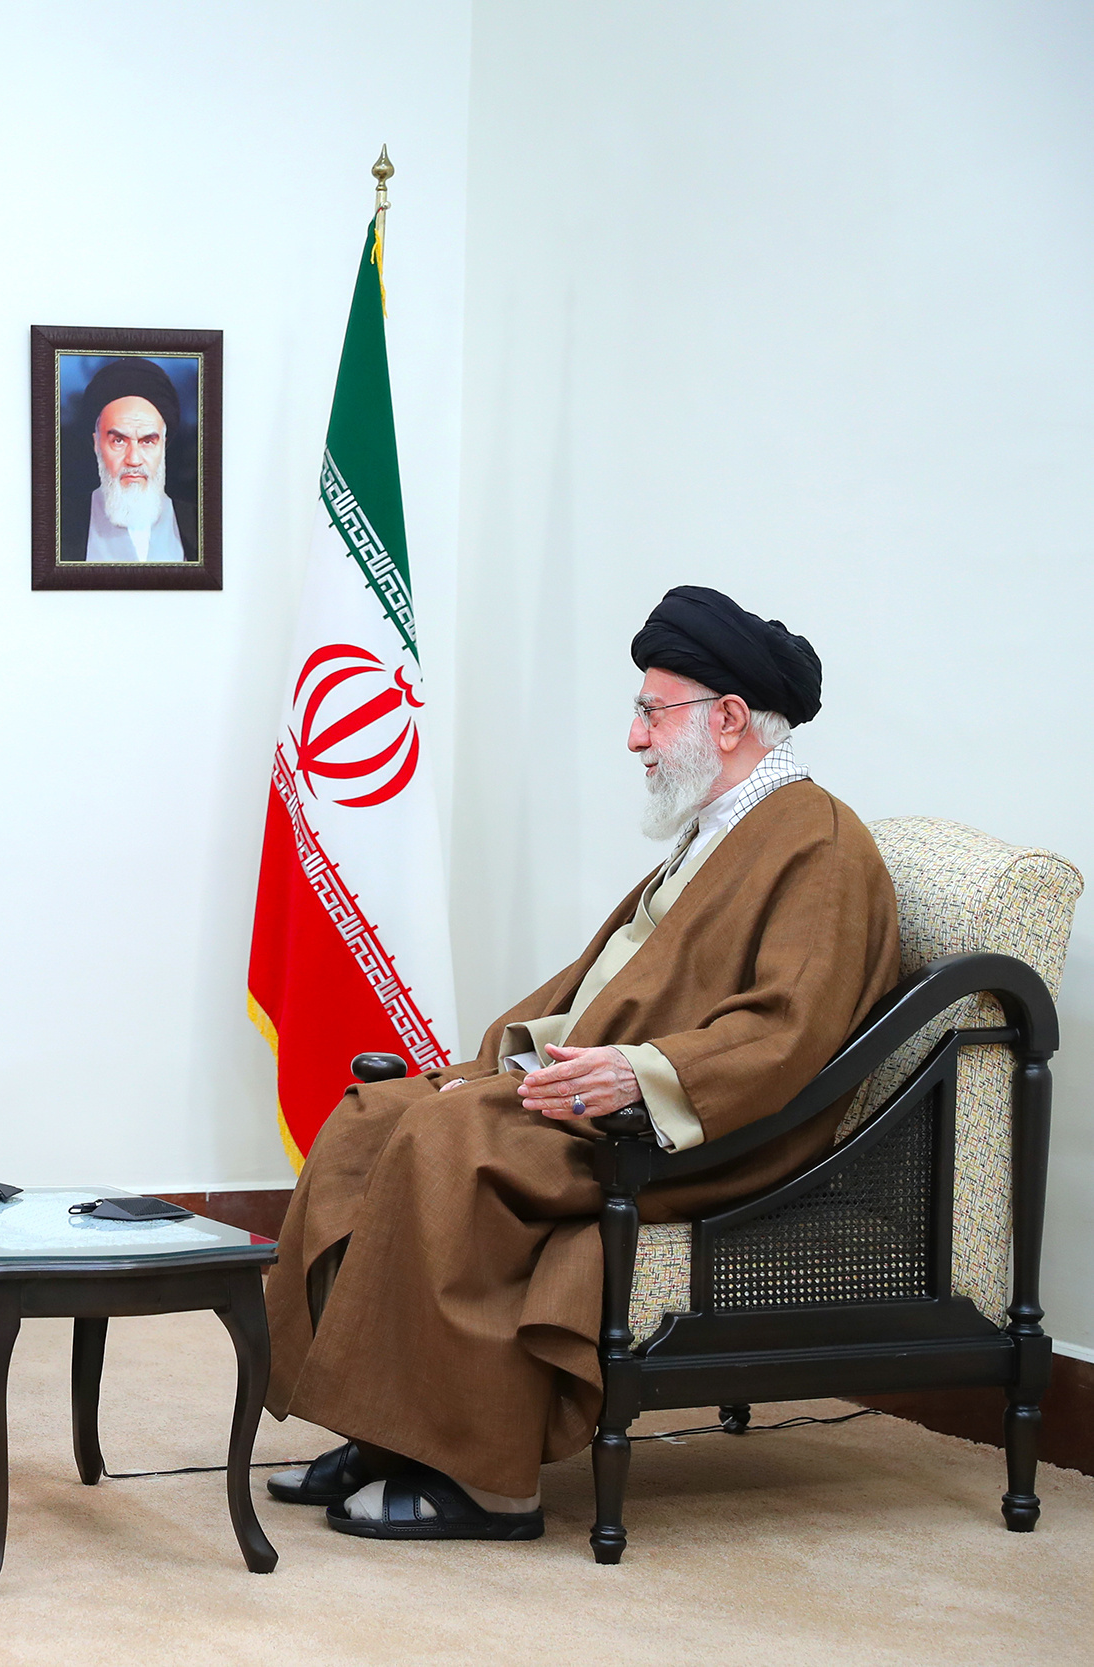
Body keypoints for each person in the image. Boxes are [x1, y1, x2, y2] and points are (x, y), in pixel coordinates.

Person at [262, 585, 900, 1541]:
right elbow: (609, 980)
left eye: (651, 711)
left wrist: (633, 1075)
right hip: (599, 1097)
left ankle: (485, 1481)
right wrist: (516, 1057)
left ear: (726, 719)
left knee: (451, 1140)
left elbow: (784, 1033)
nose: (635, 738)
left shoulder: (820, 844)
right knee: (372, 1116)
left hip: (700, 1133)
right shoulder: (721, 829)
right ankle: (386, 1426)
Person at [66, 355, 192, 563]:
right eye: (118, 441)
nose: (133, 460)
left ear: (163, 445)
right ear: (97, 443)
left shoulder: (200, 524)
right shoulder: (60, 524)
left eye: (147, 441)